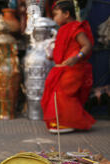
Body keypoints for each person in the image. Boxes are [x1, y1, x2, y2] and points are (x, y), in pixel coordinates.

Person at [41, 0, 95, 133]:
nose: (54, 18)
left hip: (74, 69)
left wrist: (76, 57)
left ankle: (70, 122)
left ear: (66, 14)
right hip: (62, 68)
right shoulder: (62, 29)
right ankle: (61, 121)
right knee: (55, 94)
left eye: (56, 14)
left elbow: (87, 45)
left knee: (63, 94)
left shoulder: (76, 28)